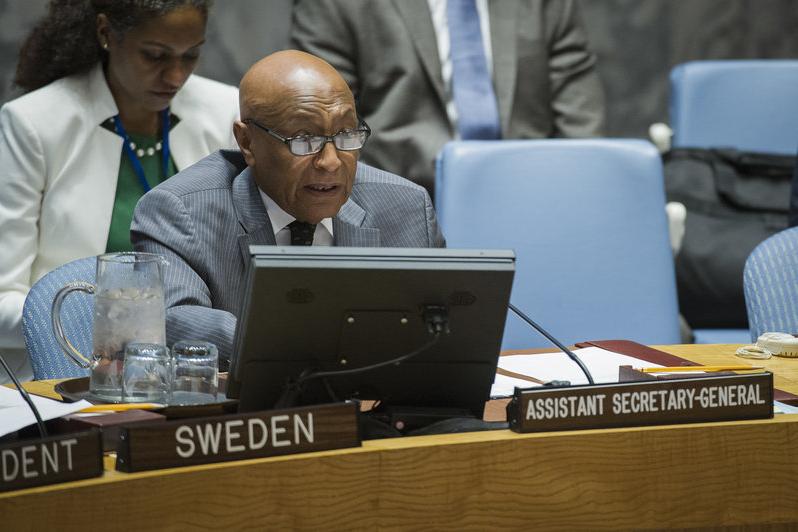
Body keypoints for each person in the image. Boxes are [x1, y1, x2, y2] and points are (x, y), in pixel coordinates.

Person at [131, 50, 445, 365]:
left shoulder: (406, 206)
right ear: (247, 142)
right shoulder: (179, 211)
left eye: (346, 134)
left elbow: (443, 325)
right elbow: (173, 319)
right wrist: (312, 344)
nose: (331, 162)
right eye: (304, 139)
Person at [0, 0, 238, 380]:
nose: (176, 76)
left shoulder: (227, 111)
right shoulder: (34, 123)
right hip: (68, 375)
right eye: (155, 55)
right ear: (105, 33)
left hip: (201, 374)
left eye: (191, 55)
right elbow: (3, 299)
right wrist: (127, 323)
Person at [291, 0, 606, 194]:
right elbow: (324, 125)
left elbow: (581, 127)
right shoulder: (336, 5)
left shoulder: (547, 5)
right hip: (392, 201)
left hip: (532, 195)